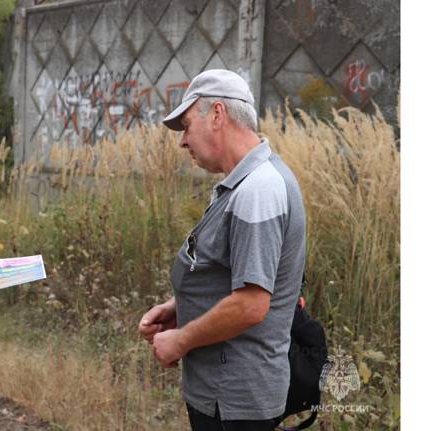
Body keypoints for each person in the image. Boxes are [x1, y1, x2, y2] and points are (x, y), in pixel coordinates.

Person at [137, 69, 306, 431]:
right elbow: (231, 276)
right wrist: (179, 307)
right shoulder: (246, 183)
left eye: (185, 125)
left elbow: (250, 304)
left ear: (217, 115)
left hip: (235, 403)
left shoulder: (258, 191)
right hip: (224, 398)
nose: (183, 141)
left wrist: (181, 340)